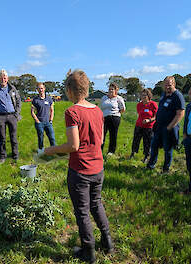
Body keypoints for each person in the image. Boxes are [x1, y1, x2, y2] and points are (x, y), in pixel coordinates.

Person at [44, 70, 113, 263]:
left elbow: (73, 146)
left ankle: (88, 251)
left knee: (82, 211)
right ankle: (107, 242)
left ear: (69, 90)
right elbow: (99, 141)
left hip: (80, 171)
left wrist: (51, 151)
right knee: (96, 204)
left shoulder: (72, 111)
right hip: (98, 168)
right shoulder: (98, 110)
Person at [146, 76, 185, 173]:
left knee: (167, 149)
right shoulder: (164, 94)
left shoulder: (177, 96)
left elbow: (180, 114)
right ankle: (150, 166)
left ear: (174, 84)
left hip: (169, 128)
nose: (167, 87)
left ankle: (166, 169)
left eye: (169, 85)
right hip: (159, 126)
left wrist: (170, 127)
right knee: (154, 146)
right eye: (166, 85)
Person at [0, 69, 21, 163]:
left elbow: (18, 101)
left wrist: (16, 114)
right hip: (1, 116)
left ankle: (15, 155)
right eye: (1, 78)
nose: (3, 79)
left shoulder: (12, 88)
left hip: (12, 116)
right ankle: (2, 156)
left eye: (5, 78)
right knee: (2, 137)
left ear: (7, 78)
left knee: (13, 137)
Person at [129, 88, 158, 162]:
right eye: (142, 95)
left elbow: (156, 116)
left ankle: (146, 156)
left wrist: (149, 120)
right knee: (136, 140)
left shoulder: (153, 104)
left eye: (145, 95)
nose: (143, 97)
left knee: (147, 142)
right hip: (139, 125)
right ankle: (133, 153)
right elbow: (140, 114)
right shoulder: (139, 105)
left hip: (149, 127)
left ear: (149, 96)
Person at [100, 83, 125, 155]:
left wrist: (115, 113)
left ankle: (111, 151)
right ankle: (100, 149)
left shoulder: (119, 98)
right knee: (102, 134)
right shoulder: (104, 98)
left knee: (113, 135)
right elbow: (102, 107)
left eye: (112, 89)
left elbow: (122, 109)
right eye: (109, 89)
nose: (110, 91)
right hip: (104, 117)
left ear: (116, 90)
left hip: (114, 118)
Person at [31, 82, 56, 153]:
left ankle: (54, 151)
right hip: (39, 123)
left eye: (42, 88)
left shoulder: (49, 99)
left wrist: (51, 120)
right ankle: (41, 151)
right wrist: (37, 121)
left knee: (52, 138)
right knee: (41, 138)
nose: (40, 90)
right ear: (37, 90)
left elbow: (52, 110)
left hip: (48, 122)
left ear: (44, 89)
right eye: (39, 89)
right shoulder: (35, 100)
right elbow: (32, 112)